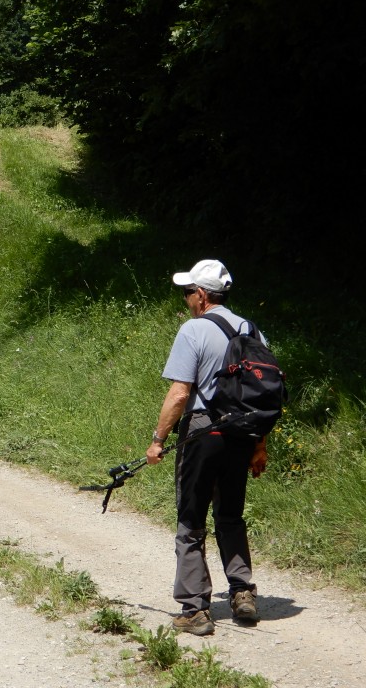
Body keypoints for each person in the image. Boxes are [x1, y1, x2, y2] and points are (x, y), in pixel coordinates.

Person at [146, 259, 268, 637]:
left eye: (187, 292)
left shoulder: (193, 330)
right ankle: (243, 592)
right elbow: (262, 393)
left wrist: (158, 440)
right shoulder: (250, 329)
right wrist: (259, 444)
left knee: (190, 519)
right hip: (242, 433)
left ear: (200, 295)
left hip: (203, 432)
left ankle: (195, 609)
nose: (185, 299)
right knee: (230, 514)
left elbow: (181, 392)